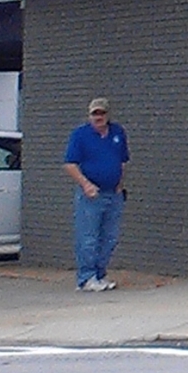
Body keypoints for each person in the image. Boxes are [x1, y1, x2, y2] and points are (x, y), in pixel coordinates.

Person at [62, 97, 130, 293]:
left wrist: (120, 183)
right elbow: (70, 164)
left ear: (107, 115)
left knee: (110, 237)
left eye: (101, 113)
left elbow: (123, 160)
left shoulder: (118, 132)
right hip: (91, 194)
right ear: (89, 115)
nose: (98, 117)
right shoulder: (80, 135)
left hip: (113, 194)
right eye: (94, 114)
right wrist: (86, 185)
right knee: (88, 237)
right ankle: (86, 277)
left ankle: (100, 274)